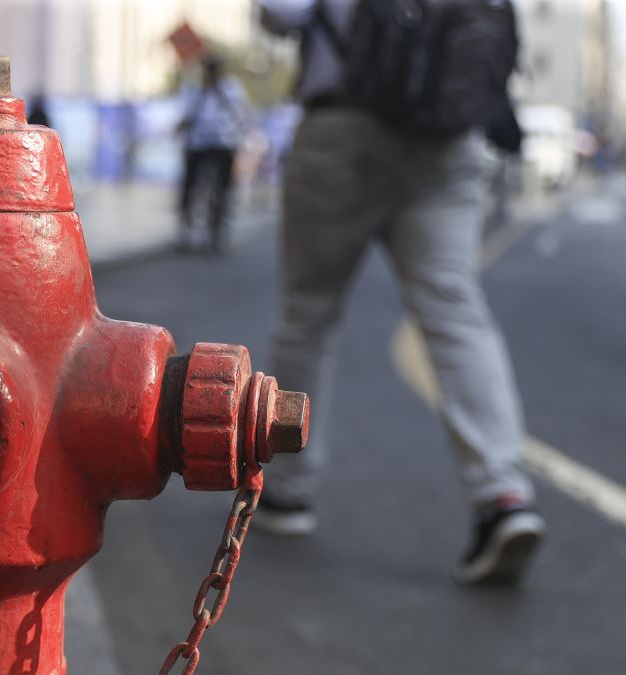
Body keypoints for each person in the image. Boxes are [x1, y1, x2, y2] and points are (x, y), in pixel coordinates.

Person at [255, 0, 545, 587]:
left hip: (343, 129)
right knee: (454, 311)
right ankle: (501, 494)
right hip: (449, 138)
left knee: (309, 312)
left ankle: (288, 491)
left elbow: (280, 14)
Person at [176, 55, 250, 253]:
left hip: (223, 144)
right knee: (190, 187)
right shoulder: (194, 90)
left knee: (221, 190)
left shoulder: (231, 89)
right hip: (198, 145)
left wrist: (219, 94)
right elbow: (185, 117)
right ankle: (188, 229)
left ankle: (217, 230)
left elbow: (241, 114)